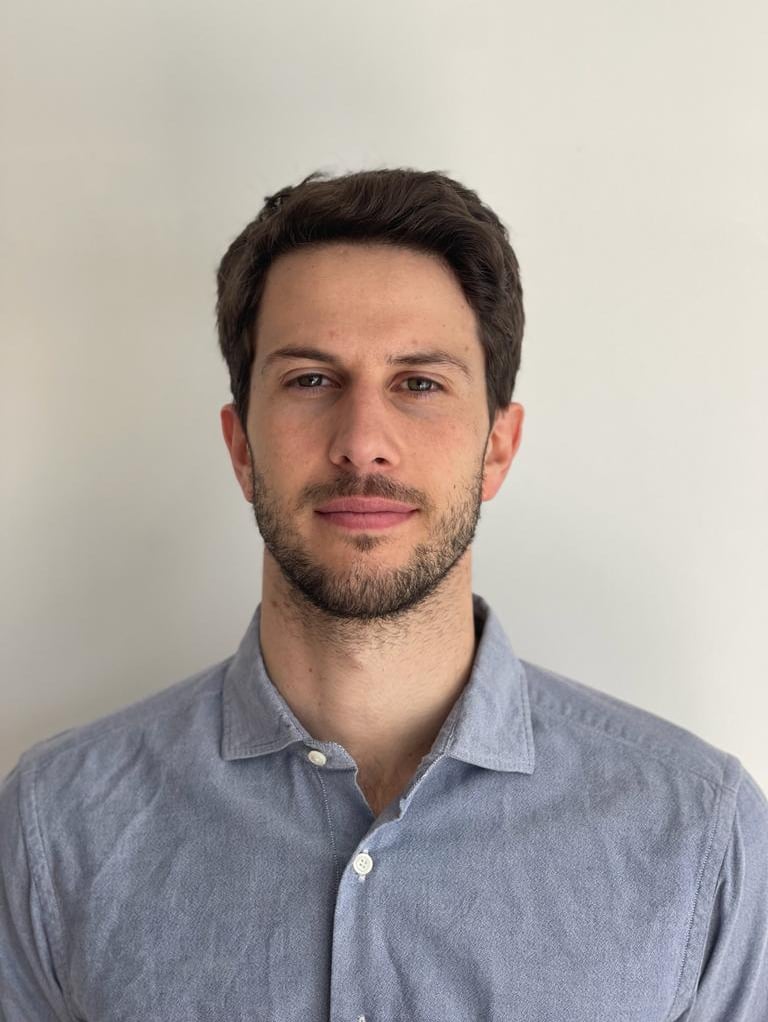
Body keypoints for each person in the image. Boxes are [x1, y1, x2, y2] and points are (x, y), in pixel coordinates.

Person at [1, 167, 766, 1021]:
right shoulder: (54, 828)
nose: (363, 442)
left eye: (419, 383)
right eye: (311, 380)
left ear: (497, 447)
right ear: (242, 447)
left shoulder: (700, 837)